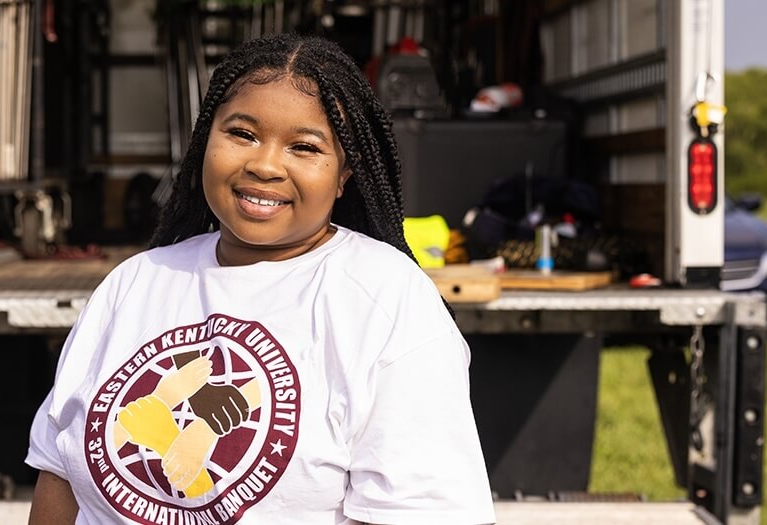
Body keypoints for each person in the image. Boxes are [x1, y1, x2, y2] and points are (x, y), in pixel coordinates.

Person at [27, 33, 495, 525]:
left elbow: (423, 511)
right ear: (206, 138)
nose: (265, 165)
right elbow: (58, 471)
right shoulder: (133, 284)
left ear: (344, 173)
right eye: (243, 134)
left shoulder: (385, 297)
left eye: (304, 146)